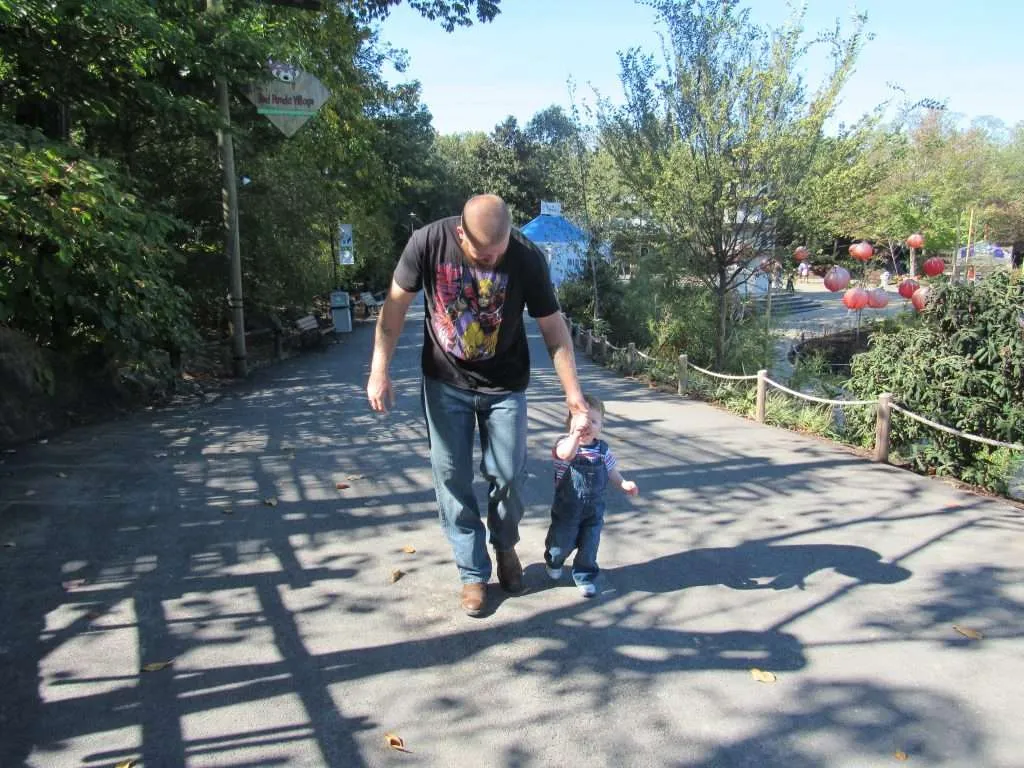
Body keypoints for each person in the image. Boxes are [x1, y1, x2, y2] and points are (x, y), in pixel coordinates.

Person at [366, 194, 589, 617]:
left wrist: (573, 392)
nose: (490, 261)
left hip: (505, 384)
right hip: (444, 380)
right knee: (450, 475)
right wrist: (380, 369)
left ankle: (505, 547)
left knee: (508, 474)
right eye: (481, 254)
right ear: (459, 234)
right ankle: (472, 573)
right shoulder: (428, 243)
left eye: (498, 253)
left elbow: (553, 328)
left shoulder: (526, 256)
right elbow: (394, 308)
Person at [544, 394, 638, 597]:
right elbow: (564, 455)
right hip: (567, 509)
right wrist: (575, 437)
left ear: (601, 426)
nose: (587, 426)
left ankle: (585, 576)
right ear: (570, 423)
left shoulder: (602, 450)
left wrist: (623, 483)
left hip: (594, 510)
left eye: (594, 422)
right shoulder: (565, 444)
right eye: (581, 421)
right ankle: (554, 560)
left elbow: (611, 470)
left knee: (590, 544)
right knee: (561, 543)